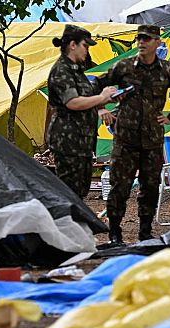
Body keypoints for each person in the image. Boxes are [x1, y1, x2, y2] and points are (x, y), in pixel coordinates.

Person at [94, 24, 170, 244]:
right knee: (119, 186)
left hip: (152, 140)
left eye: (147, 39)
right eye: (139, 38)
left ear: (157, 42)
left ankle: (145, 232)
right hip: (125, 139)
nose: (141, 42)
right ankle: (115, 233)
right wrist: (101, 108)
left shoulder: (167, 70)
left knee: (150, 187)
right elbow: (95, 85)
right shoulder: (124, 67)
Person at [47, 24, 118, 198]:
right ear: (73, 45)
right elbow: (73, 103)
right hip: (68, 141)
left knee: (79, 191)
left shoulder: (77, 70)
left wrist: (107, 98)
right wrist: (101, 98)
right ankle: (64, 224)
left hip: (82, 141)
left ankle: (74, 223)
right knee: (69, 192)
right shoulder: (61, 70)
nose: (87, 51)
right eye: (85, 46)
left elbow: (87, 95)